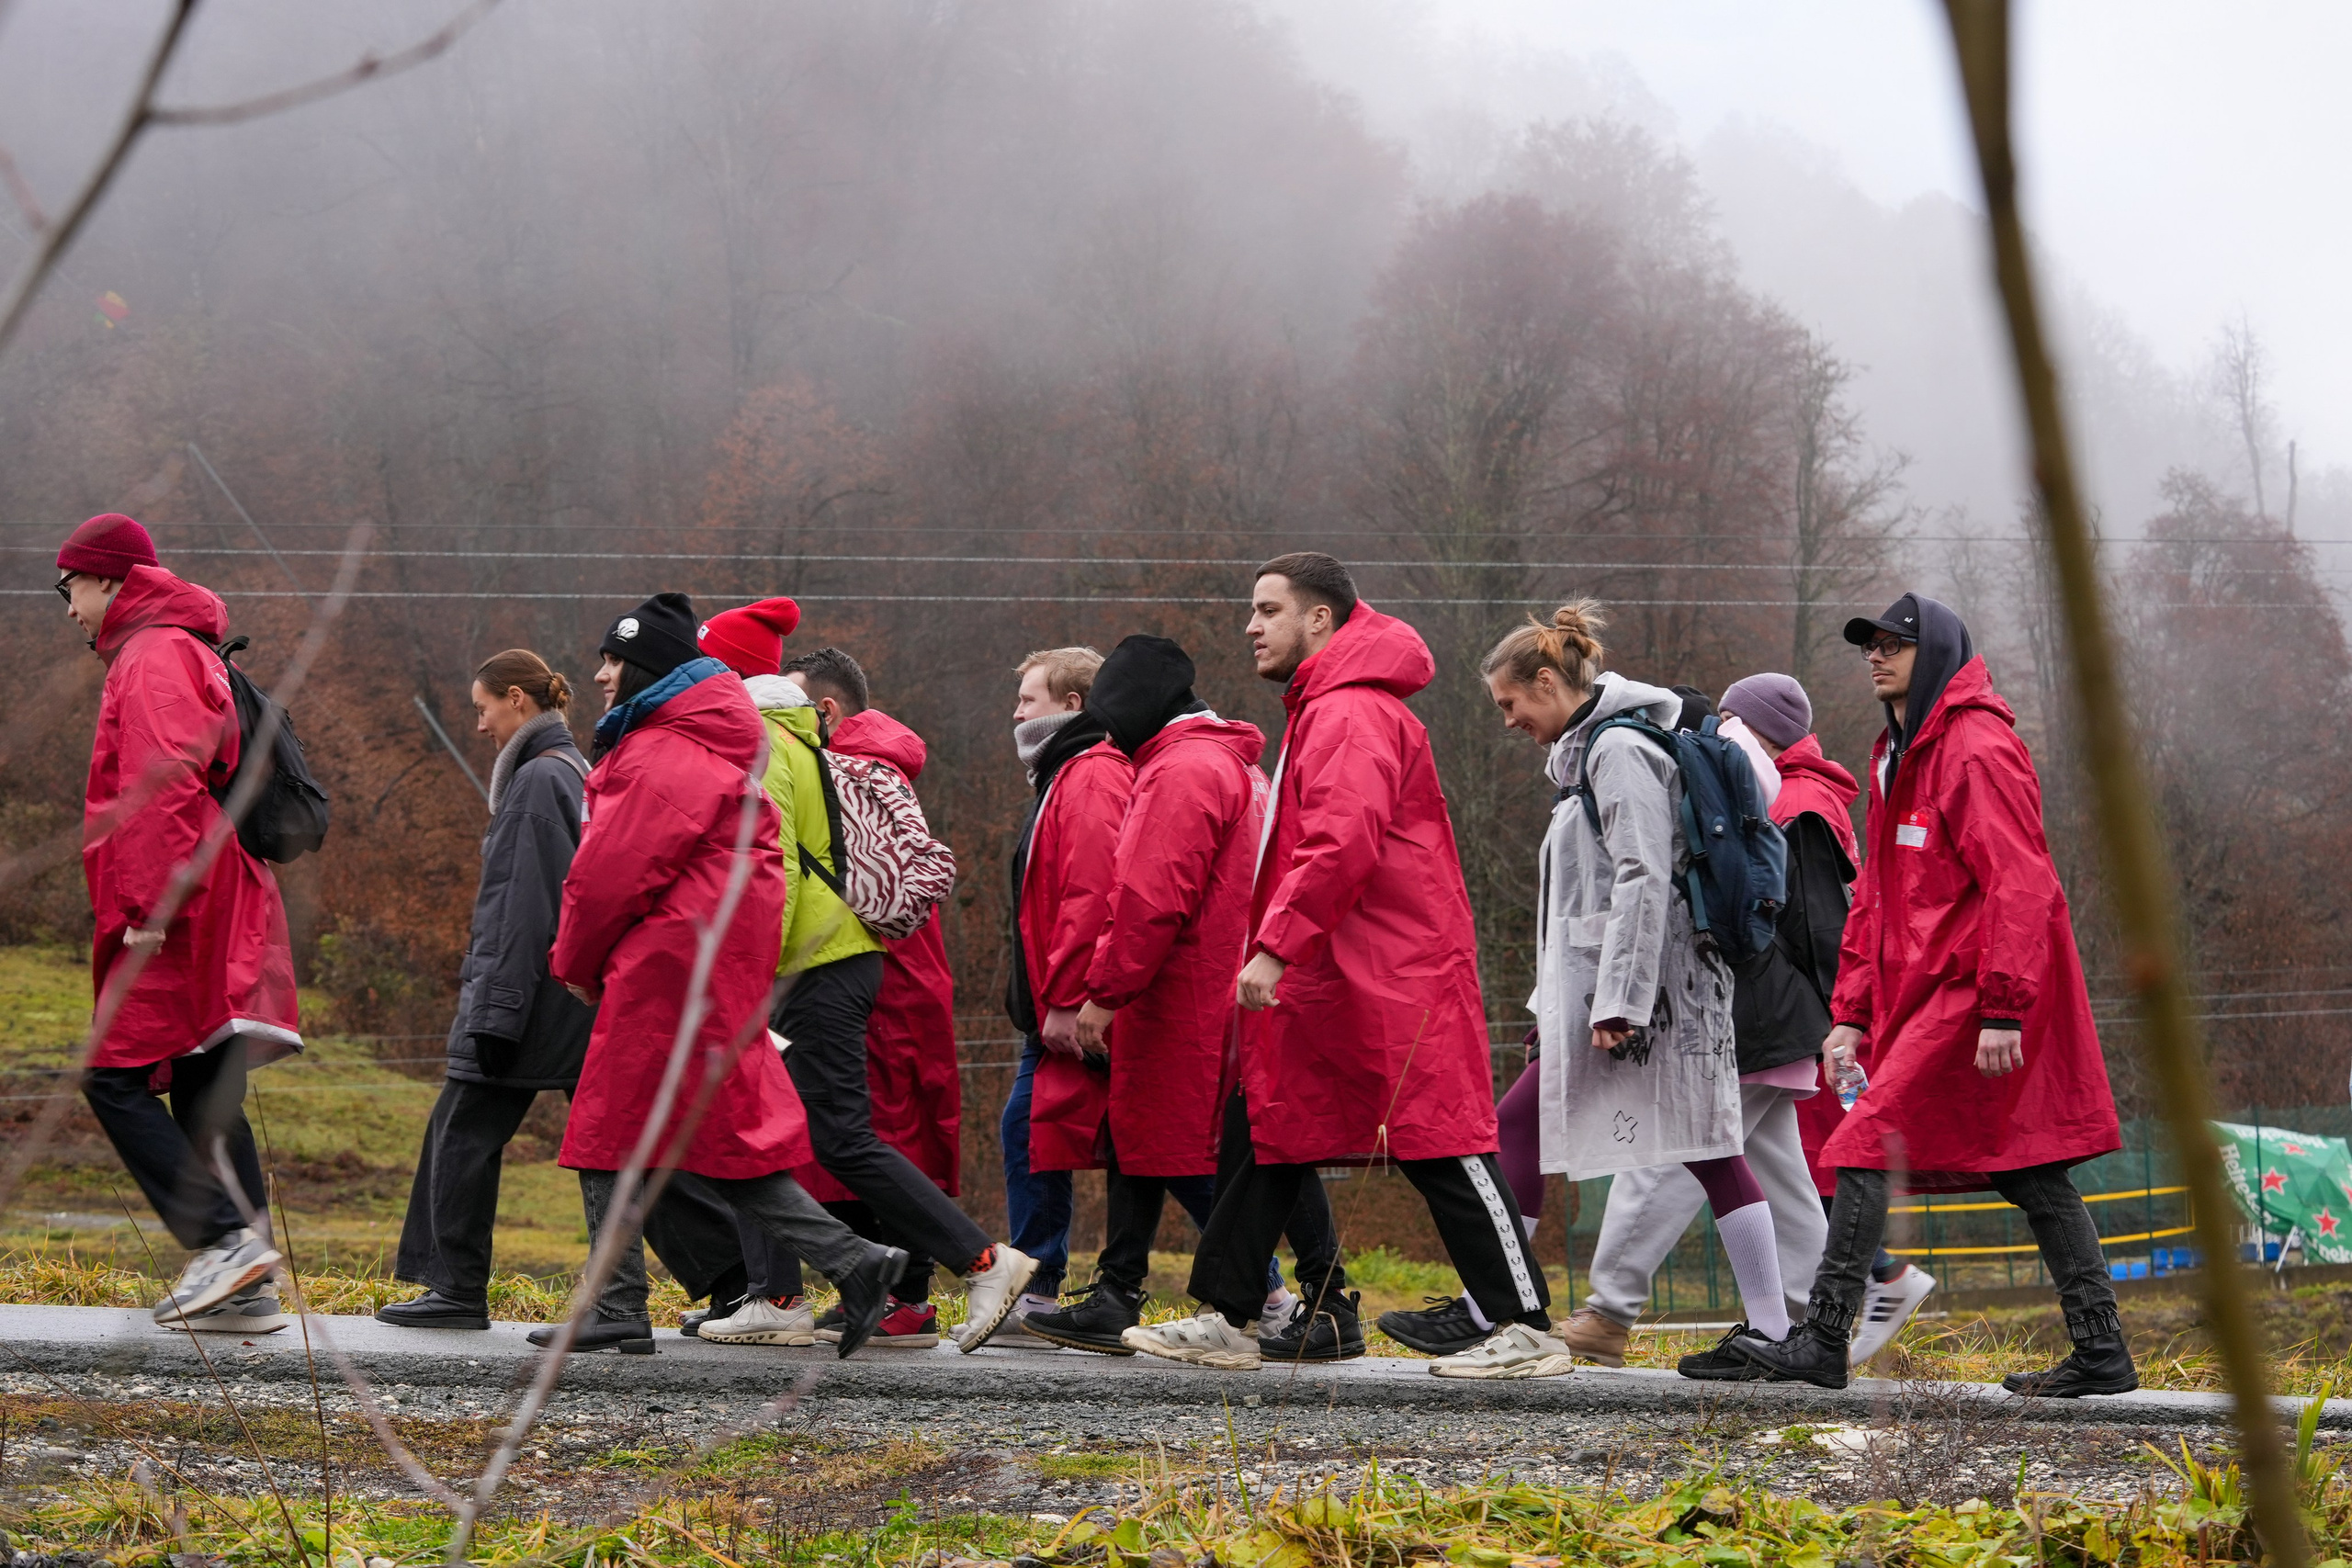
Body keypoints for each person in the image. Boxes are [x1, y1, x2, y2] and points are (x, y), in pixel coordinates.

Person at [1123, 553, 1552, 1377]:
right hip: (1342, 964)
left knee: (1438, 1137)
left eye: (1268, 609)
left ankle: (1525, 1323)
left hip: (1390, 968)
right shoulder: (1326, 707)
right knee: (1272, 1127)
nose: (1251, 625)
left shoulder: (1351, 711)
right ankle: (1226, 1313)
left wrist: (1275, 943)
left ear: (1320, 619)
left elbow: (1340, 840)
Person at [1734, 594, 2133, 1396]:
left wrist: (2002, 1006)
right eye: (1870, 646)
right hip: (1924, 996)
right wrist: (1849, 1011)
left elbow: (2020, 884)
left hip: (1973, 990)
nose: (1876, 656)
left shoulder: (1977, 746)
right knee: (2028, 1167)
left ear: (1939, 650)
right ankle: (2103, 1351)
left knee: (1864, 1142)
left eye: (1894, 644)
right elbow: (1876, 897)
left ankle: (1825, 1339)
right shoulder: (1897, 753)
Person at [544, 592, 904, 1358]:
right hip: (705, 965)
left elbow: (603, 878)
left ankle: (615, 1304)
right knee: (714, 1136)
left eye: (613, 660)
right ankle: (858, 1262)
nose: (601, 675)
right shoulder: (713, 744)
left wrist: (574, 962)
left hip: (665, 967)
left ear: (644, 666)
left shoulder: (661, 750)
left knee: (607, 1129)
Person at [1460, 604, 1787, 1380]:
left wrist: (1619, 1002)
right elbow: (1582, 896)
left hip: (1652, 991)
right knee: (1708, 1146)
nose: (1508, 720)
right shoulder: (1590, 756)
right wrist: (1557, 1004)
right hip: (1635, 987)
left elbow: (1643, 875)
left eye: (1511, 703)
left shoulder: (1617, 751)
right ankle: (1772, 1331)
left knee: (1536, 1125)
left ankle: (1496, 1311)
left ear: (1547, 681)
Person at [378, 650, 749, 1331]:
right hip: (573, 995)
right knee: (626, 1147)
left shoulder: (537, 780)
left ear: (517, 699)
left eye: (483, 707)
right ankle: (734, 1277)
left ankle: (454, 1285)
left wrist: (495, 1009)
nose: (479, 724)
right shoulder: (572, 769)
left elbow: (524, 905)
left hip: (531, 997)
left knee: (460, 1129)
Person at [720, 642, 1035, 1351]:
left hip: (825, 969)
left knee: (837, 1136)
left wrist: (758, 973)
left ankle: (976, 1263)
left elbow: (786, 874)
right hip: (857, 968)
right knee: (835, 1133)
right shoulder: (863, 765)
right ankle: (867, 1281)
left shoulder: (803, 757)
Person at [62, 513, 300, 1333]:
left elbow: (161, 782)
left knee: (113, 1074)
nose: (69, 609)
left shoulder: (153, 651)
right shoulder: (177, 644)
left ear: (110, 579)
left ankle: (224, 1242)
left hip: (183, 894)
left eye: (72, 588)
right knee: (204, 1079)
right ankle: (248, 1283)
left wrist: (148, 908)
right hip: (213, 882)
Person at [1722, 672, 1933, 1364]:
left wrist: (1840, 1018)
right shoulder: (1799, 792)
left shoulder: (1799, 800)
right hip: (1811, 1012)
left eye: (1729, 720)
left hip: (1806, 1017)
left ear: (1760, 730)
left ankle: (1875, 1282)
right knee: (1796, 1164)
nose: (1719, 733)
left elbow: (1820, 921)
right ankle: (1835, 1301)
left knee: (1796, 1158)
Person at [1001, 646, 1125, 1325]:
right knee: (1032, 1131)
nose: (1016, 713)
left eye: (1029, 700)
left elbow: (1092, 890)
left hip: (1077, 1005)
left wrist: (1068, 997)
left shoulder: (1090, 774)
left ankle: (1272, 1292)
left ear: (1072, 705)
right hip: (1059, 1004)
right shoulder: (1061, 774)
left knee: (1159, 1153)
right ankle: (1038, 1287)